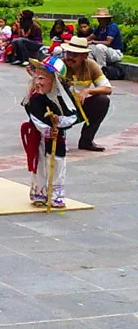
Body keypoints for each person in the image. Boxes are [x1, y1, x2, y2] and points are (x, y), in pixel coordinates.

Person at [22, 56, 82, 208]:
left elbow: (73, 116)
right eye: (36, 78)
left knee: (57, 163)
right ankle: (40, 193)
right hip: (39, 136)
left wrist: (58, 123)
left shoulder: (64, 97)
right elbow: (35, 118)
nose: (38, 82)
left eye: (42, 79)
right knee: (39, 164)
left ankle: (55, 194)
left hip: (58, 137)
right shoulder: (35, 98)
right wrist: (48, 130)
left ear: (54, 80)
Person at [61, 37, 112, 152]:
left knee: (103, 101)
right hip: (59, 106)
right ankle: (55, 138)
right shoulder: (60, 65)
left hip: (79, 105)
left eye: (75, 55)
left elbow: (107, 88)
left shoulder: (91, 66)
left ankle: (86, 141)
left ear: (84, 56)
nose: (70, 57)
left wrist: (88, 91)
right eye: (69, 53)